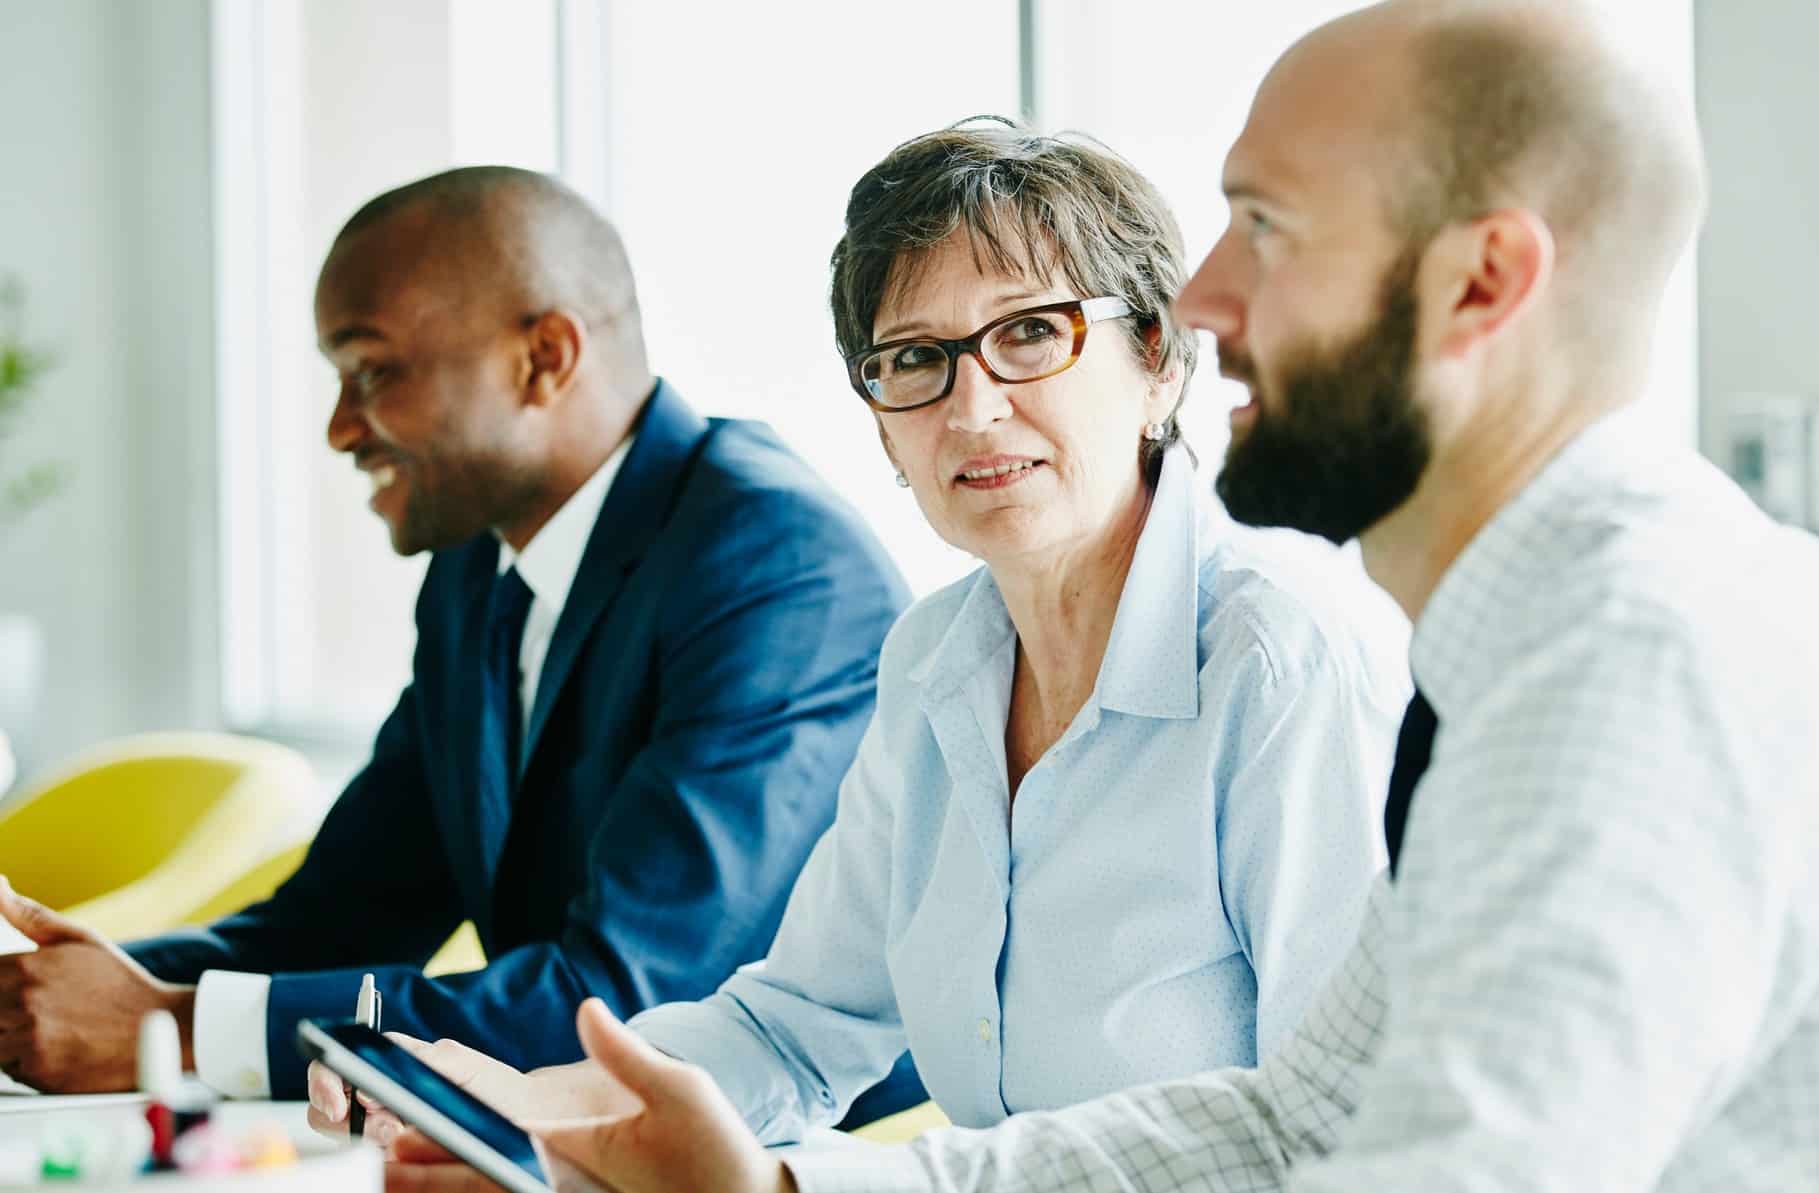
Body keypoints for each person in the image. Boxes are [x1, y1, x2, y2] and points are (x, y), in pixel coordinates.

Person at [381, 3, 1819, 1190]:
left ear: (1480, 283)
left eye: (1263, 228)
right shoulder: (1531, 641)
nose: (1203, 301)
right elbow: (1300, 1107)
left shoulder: (1640, 665)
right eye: (917, 363)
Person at [324, 118, 1407, 1156]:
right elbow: (794, 1025)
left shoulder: (1285, 654)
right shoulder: (938, 657)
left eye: (1031, 331)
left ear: (1159, 357)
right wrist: (506, 1103)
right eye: (915, 357)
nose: (971, 408)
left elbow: (1355, 1121)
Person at [0, 166, 910, 1105]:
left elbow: (626, 1005)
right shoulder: (476, 567)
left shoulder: (778, 564)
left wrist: (178, 1030)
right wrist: (49, 996)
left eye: (374, 370)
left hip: (809, 1144)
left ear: (545, 358)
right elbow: (338, 919)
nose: (340, 428)